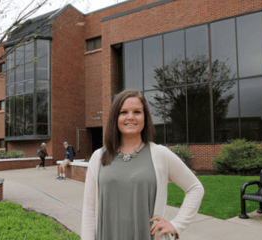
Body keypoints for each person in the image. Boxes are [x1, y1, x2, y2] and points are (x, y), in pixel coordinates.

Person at [81, 89, 205, 240]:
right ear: (115, 117)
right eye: (123, 112)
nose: (131, 117)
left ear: (145, 117)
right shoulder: (98, 157)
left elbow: (195, 188)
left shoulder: (160, 154)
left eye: (137, 112)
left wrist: (176, 225)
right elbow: (89, 211)